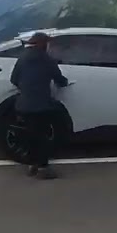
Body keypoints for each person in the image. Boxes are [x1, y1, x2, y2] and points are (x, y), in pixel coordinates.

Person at [8, 31, 70, 179]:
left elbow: (13, 79)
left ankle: (32, 165)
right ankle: (43, 168)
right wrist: (65, 82)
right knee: (42, 136)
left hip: (23, 104)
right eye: (47, 43)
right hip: (41, 105)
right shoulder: (46, 59)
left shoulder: (22, 58)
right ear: (43, 44)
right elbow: (59, 79)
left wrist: (25, 89)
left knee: (30, 135)